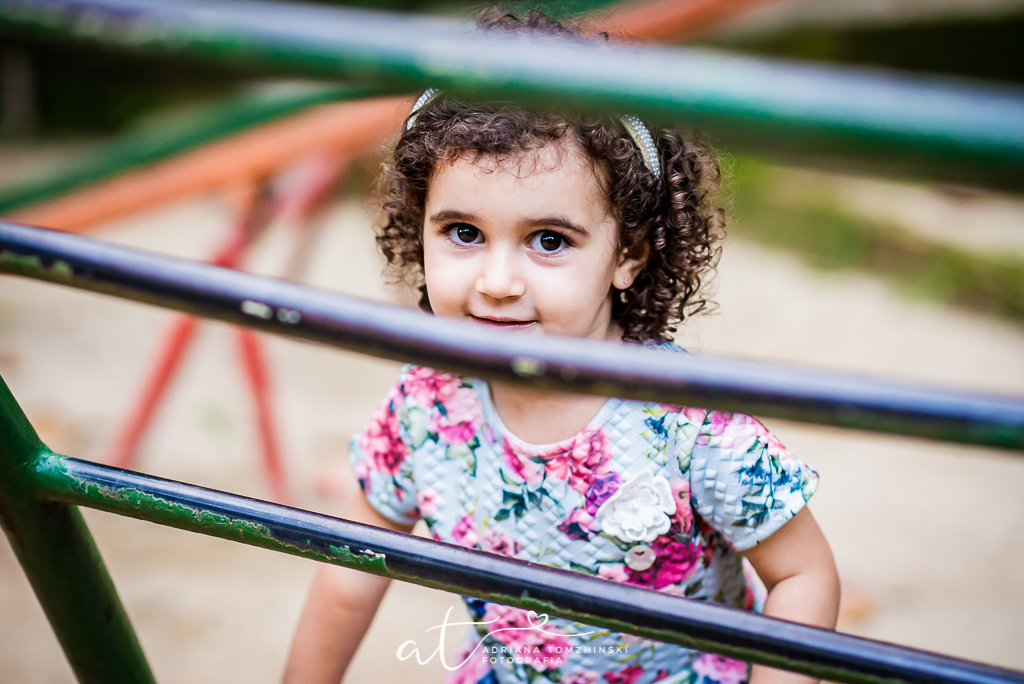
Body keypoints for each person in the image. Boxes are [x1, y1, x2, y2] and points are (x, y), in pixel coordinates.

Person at [282, 10, 840, 684]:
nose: (497, 282)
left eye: (549, 240)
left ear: (628, 254)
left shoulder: (689, 423)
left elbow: (803, 575)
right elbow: (351, 574)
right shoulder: (426, 403)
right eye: (463, 232)